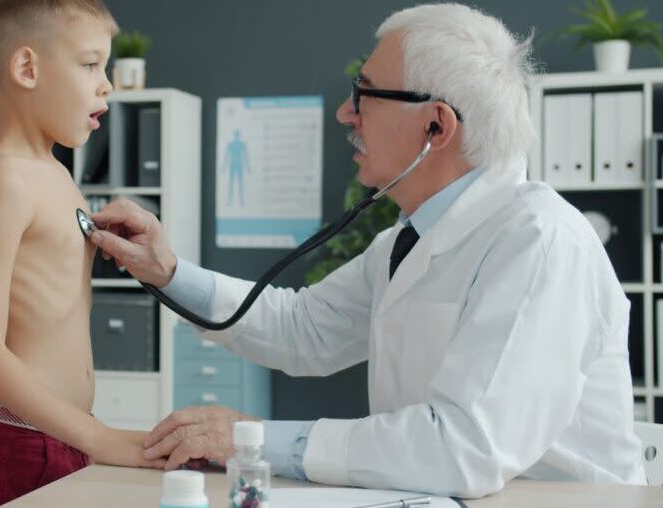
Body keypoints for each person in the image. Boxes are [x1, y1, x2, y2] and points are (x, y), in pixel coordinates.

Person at [89, 3, 646, 498]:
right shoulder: (407, 241)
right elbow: (302, 328)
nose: (345, 113)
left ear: (436, 125)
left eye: (365, 93)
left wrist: (254, 440)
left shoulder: (540, 240)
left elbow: (465, 447)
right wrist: (166, 271)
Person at [0, 1, 163, 506]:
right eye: (90, 64)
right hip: (13, 444)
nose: (106, 85)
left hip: (59, 436)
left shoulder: (59, 175)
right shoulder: (2, 176)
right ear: (27, 68)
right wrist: (100, 438)